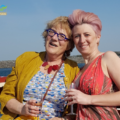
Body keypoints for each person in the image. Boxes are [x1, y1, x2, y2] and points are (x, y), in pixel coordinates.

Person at [0, 16, 79, 120]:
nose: (54, 38)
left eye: (61, 36)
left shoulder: (73, 68)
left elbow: (76, 108)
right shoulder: (25, 59)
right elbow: (6, 95)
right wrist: (22, 108)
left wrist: (64, 119)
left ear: (69, 45)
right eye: (52, 32)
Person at [65, 9, 120, 120]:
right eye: (77, 36)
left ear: (97, 37)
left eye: (87, 35)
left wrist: (89, 99)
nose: (82, 40)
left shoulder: (107, 57)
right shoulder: (79, 70)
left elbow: (86, 99)